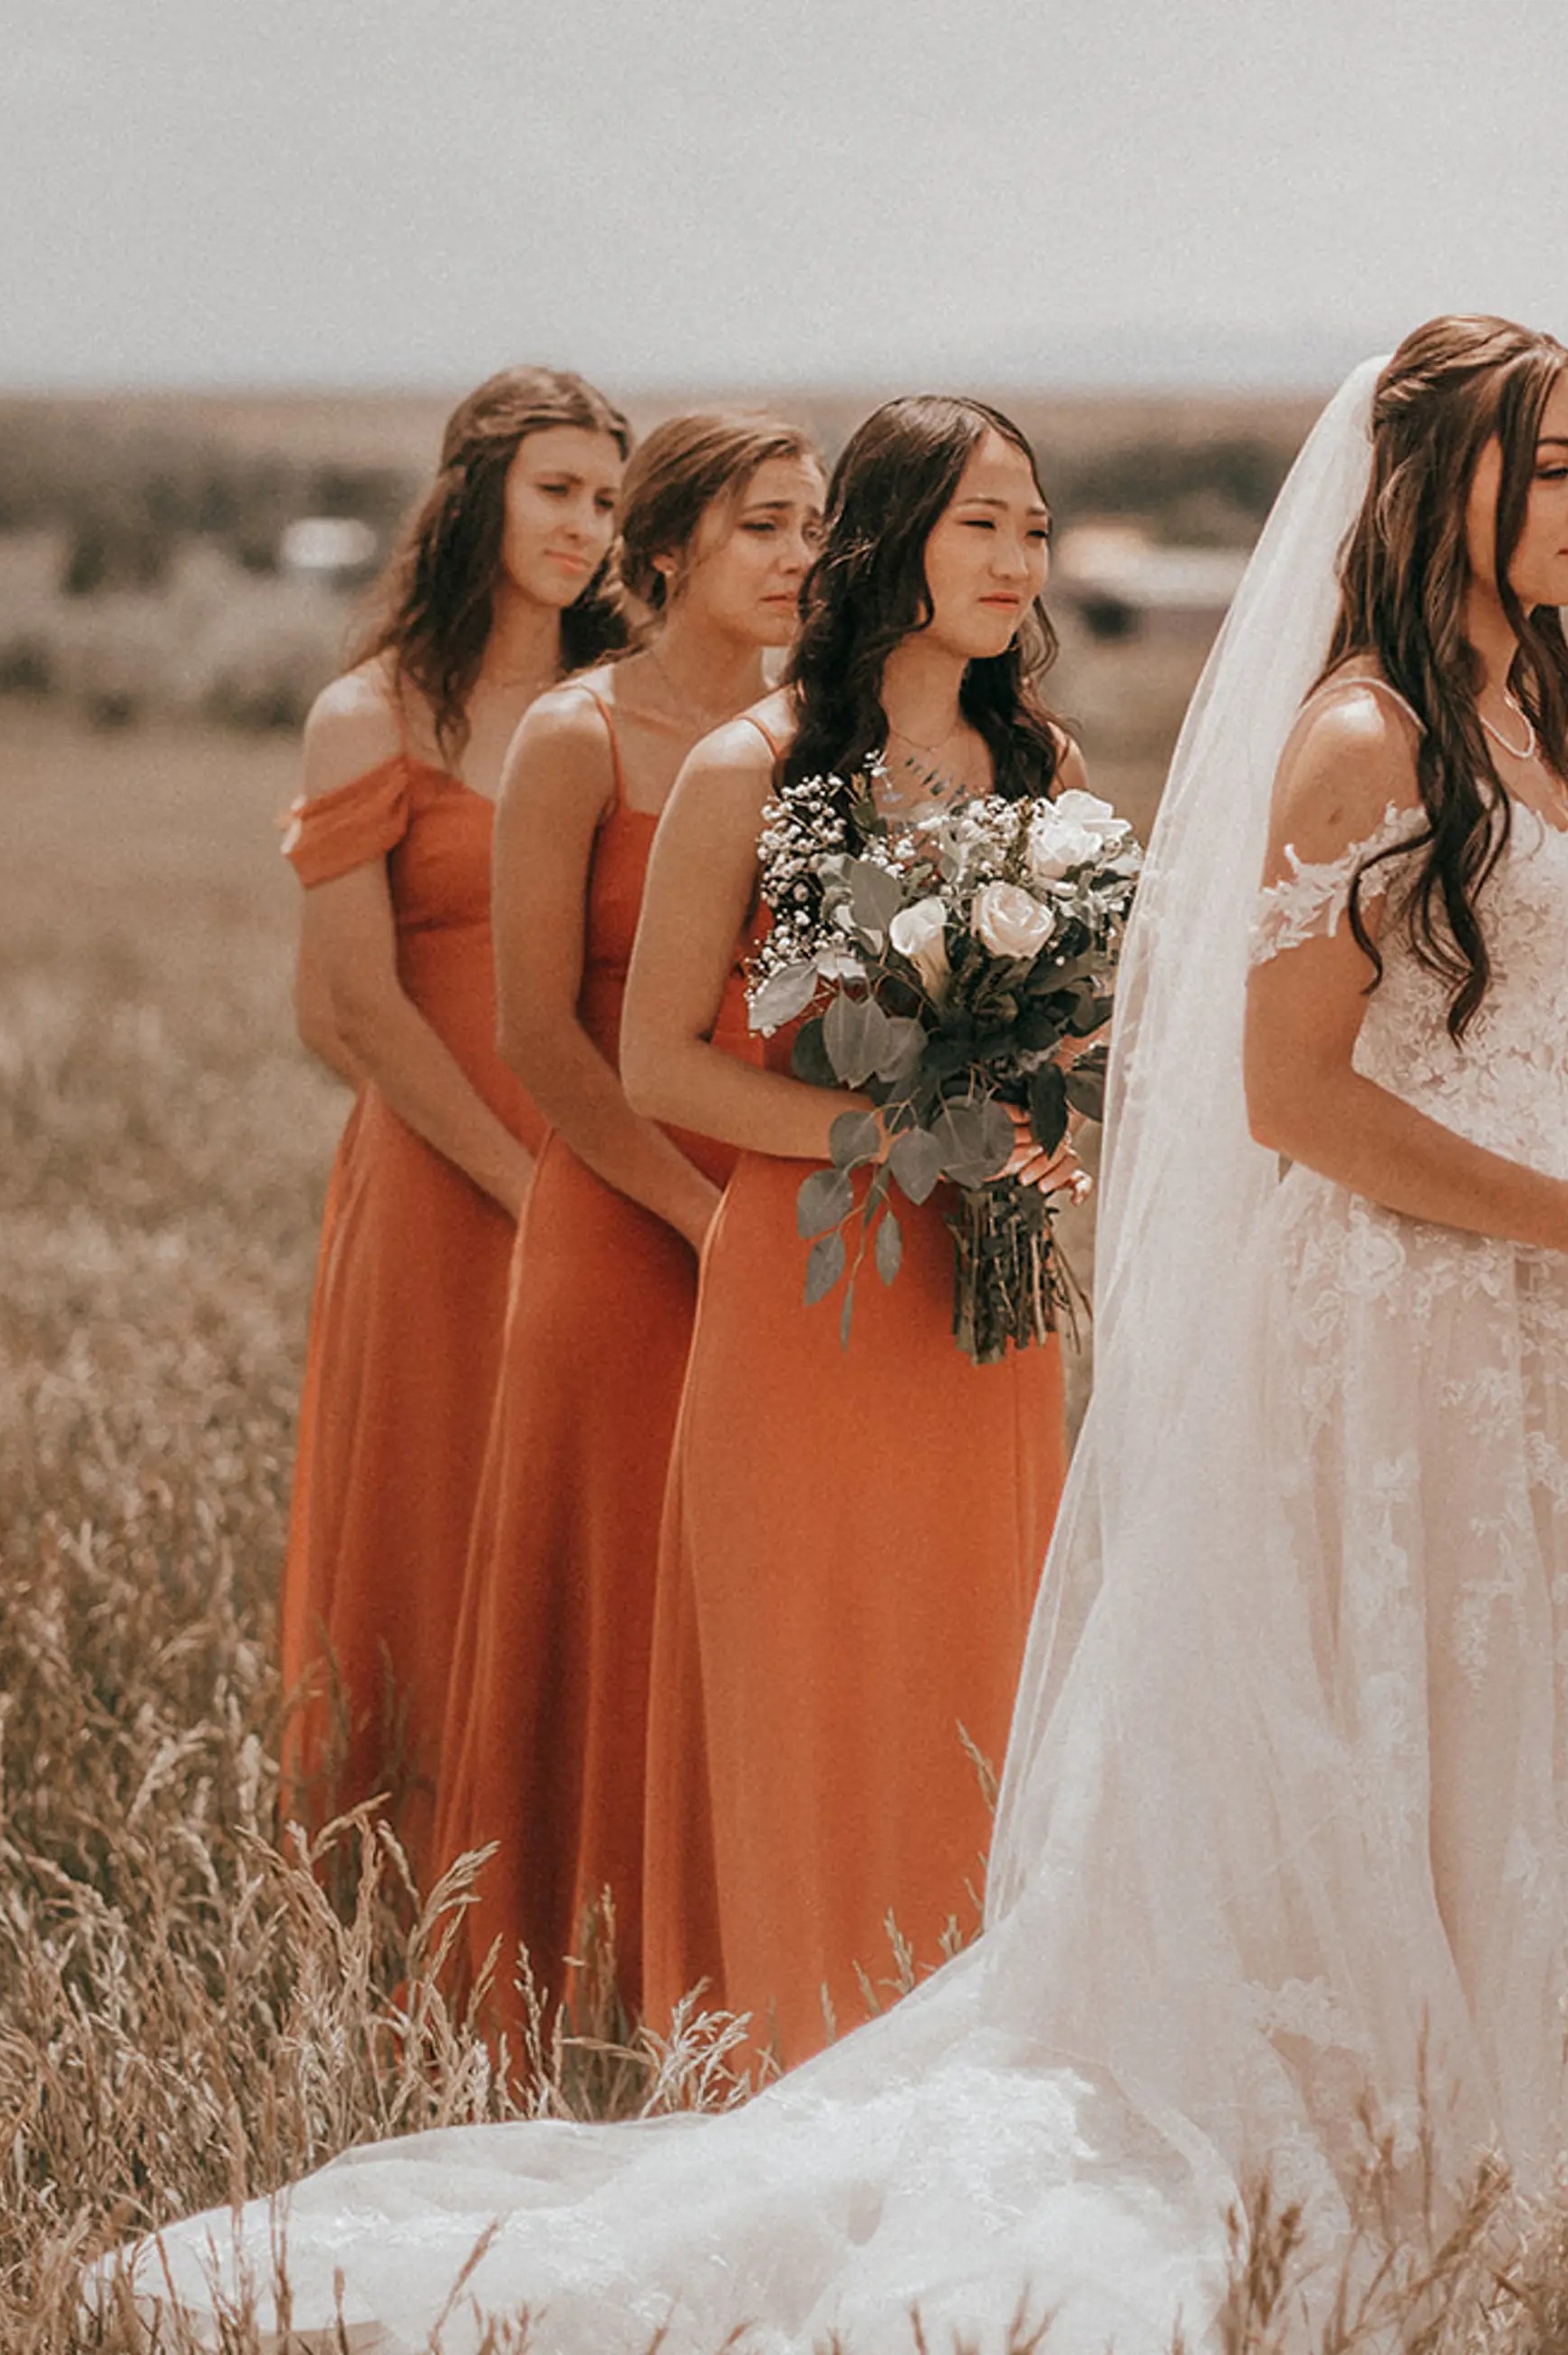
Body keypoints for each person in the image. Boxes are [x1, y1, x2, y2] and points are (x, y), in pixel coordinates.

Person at [94, 321, 1568, 2350]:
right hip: (1104, 1289)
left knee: (1494, 1733)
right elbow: (1280, 1093)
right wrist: (892, 1125)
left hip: (1480, 1328)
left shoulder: (1309, 752)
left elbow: (1475, 1051)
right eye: (1557, 467)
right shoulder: (1303, 744)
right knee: (1238, 1713)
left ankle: (1509, 2141)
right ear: (1443, 482)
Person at [609, 396, 1082, 2058]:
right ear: (888, 541)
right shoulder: (747, 775)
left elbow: (1065, 1041)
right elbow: (653, 1059)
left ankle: (968, 2055)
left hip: (979, 1305)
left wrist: (1036, 1106)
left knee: (974, 1668)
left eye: (1034, 525)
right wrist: (881, 1129)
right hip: (805, 1295)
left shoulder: (1046, 776)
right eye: (982, 523)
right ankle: (790, 2059)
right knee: (810, 1672)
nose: (1019, 557)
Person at [430, 411, 825, 2036]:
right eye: (763, 527)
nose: (801, 557)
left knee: (758, 1588)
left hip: (785, 1200)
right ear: (659, 552)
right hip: (620, 1219)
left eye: (813, 527)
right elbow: (535, 1033)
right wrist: (681, 1212)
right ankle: (571, 1996)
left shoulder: (826, 736)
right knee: (608, 1586)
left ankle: (744, 1971)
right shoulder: (575, 739)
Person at [276, 365, 626, 1854]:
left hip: (608, 1155)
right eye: (556, 491)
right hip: (438, 1179)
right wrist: (517, 1183)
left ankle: (567, 1881)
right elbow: (348, 1010)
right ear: (473, 492)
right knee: (430, 1511)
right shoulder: (369, 718)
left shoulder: (620, 707)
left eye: (609, 502)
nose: (584, 528)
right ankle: (399, 1887)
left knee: (584, 1524)